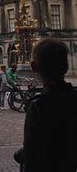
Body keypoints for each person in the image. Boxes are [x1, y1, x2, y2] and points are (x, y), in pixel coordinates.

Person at [14, 39, 77, 171]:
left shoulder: (39, 106)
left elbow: (32, 159)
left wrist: (22, 155)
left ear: (34, 66)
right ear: (66, 66)